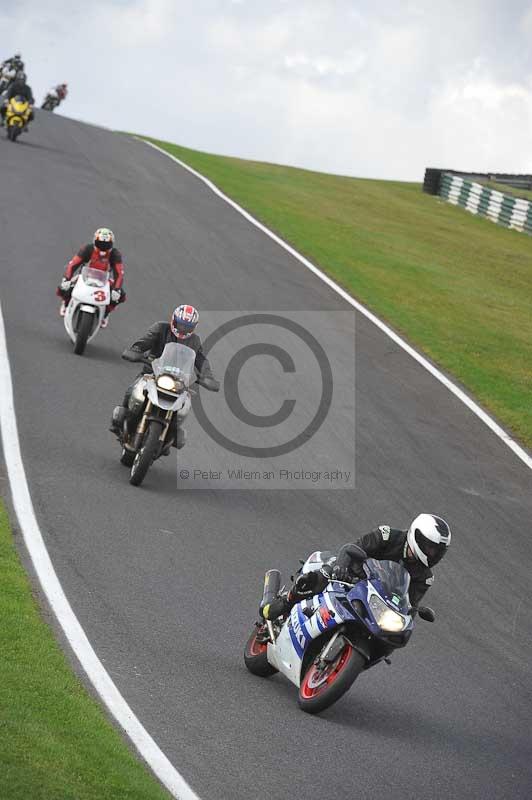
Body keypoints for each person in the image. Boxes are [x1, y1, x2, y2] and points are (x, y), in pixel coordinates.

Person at [261, 514, 452, 621]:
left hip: (376, 600)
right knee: (321, 576)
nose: (433, 554)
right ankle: (285, 601)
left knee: (392, 636)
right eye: (430, 548)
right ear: (416, 536)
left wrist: (412, 611)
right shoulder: (387, 536)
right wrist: (341, 567)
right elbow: (352, 548)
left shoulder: (424, 577)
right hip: (348, 575)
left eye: (438, 551)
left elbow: (409, 603)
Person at [110, 305, 220, 447]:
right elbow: (144, 341)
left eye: (187, 327)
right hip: (151, 373)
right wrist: (136, 350)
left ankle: (171, 433)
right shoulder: (160, 328)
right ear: (173, 320)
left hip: (178, 382)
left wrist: (207, 375)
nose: (182, 329)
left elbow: (200, 359)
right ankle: (120, 419)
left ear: (193, 327)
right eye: (180, 325)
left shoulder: (195, 341)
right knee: (133, 390)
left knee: (184, 406)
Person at [56, 228, 126, 327]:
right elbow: (73, 264)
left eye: (106, 244)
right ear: (95, 241)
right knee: (65, 287)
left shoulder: (115, 254)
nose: (103, 247)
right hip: (84, 277)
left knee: (120, 295)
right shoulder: (88, 249)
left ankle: (105, 313)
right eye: (100, 243)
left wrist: (117, 289)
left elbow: (119, 273)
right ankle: (66, 303)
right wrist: (66, 279)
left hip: (104, 280)